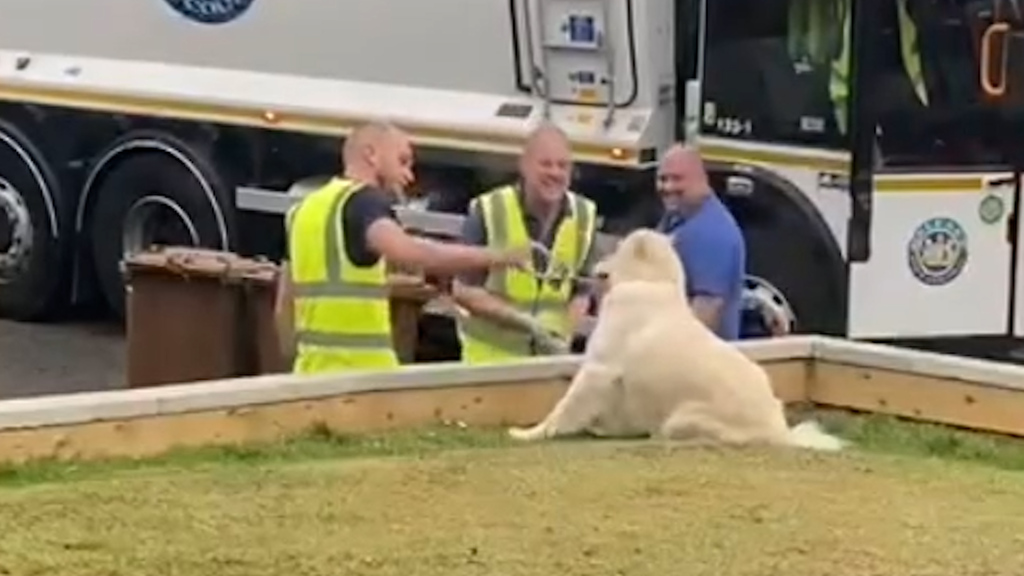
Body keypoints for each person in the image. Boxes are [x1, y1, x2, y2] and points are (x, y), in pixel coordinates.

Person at [275, 121, 528, 375]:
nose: (409, 176)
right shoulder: (364, 202)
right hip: (363, 377)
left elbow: (283, 306)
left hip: (312, 373)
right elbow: (412, 254)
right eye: (402, 161)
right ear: (371, 155)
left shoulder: (303, 211)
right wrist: (496, 256)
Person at [454, 123, 599, 364]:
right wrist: (525, 323)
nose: (555, 173)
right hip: (489, 364)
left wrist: (563, 338)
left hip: (546, 364)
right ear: (524, 166)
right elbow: (463, 290)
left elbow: (581, 291)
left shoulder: (585, 215)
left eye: (562, 165)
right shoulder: (489, 210)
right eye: (545, 164)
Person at [655, 143, 745, 341]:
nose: (668, 187)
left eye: (677, 179)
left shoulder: (712, 231)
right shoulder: (679, 216)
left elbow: (707, 309)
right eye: (663, 179)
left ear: (702, 180)